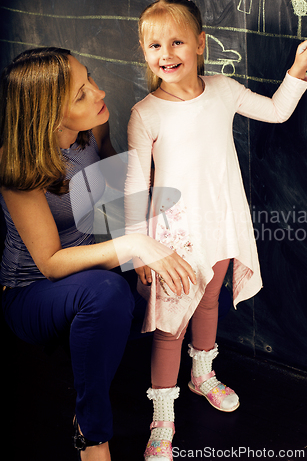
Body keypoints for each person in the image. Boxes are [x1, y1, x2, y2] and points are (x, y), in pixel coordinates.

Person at [124, 0, 307, 461]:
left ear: (200, 43)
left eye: (176, 41)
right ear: (143, 50)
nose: (165, 53)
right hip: (171, 237)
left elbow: (275, 111)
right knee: (170, 327)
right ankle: (163, 417)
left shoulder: (223, 89)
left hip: (218, 220)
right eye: (154, 45)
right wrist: (139, 250)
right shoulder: (145, 113)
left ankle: (202, 375)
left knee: (210, 299)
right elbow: (135, 183)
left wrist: (296, 71)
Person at [0, 47, 196, 461]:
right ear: (48, 114)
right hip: (32, 291)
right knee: (107, 291)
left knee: (168, 264)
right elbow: (51, 263)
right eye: (80, 94)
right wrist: (133, 245)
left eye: (89, 78)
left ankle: (197, 374)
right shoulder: (17, 166)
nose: (99, 91)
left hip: (94, 267)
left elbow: (121, 194)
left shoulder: (92, 130)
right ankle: (92, 436)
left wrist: (149, 239)